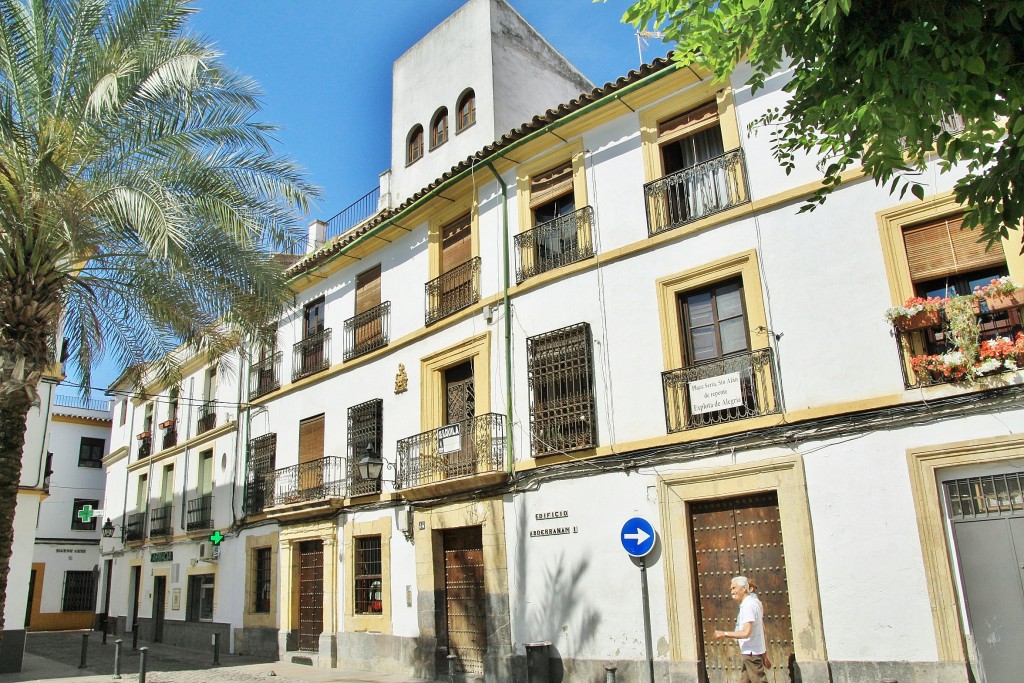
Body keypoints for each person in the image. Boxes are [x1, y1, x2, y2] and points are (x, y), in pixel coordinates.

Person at [713, 575, 770, 682]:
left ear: (744, 588)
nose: (732, 591)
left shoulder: (748, 606)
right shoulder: (754, 603)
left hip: (752, 653)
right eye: (731, 589)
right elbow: (763, 629)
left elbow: (746, 632)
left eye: (734, 588)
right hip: (751, 652)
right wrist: (765, 653)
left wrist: (724, 633)